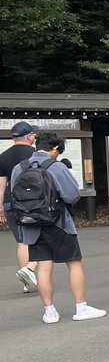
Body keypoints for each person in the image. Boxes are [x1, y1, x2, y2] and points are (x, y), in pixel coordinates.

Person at [9, 134, 106, 323]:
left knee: (44, 268)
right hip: (59, 223)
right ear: (54, 149)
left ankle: (50, 312)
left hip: (31, 225)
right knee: (75, 264)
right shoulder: (56, 166)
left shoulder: (18, 168)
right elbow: (71, 195)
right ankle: (81, 308)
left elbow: (14, 196)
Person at [1, 121, 42, 293]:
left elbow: (1, 183)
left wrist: (1, 207)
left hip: (11, 200)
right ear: (30, 136)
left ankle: (27, 282)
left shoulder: (3, 156)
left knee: (22, 241)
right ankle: (29, 270)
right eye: (34, 135)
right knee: (40, 238)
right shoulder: (36, 155)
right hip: (34, 201)